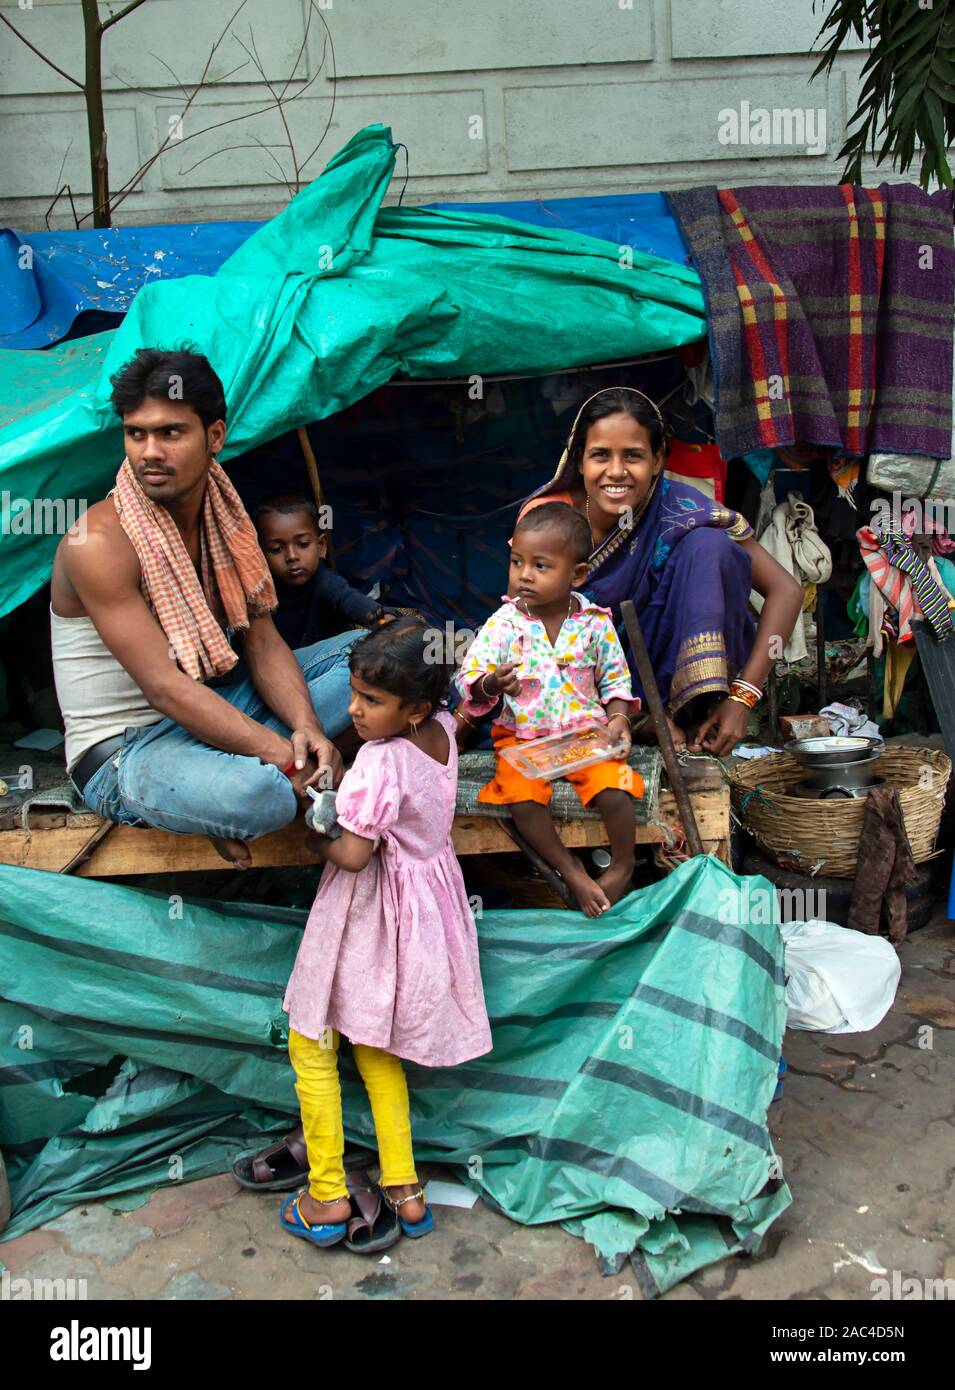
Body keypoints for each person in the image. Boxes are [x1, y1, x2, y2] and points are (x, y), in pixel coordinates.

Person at [50, 348, 360, 868]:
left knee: (380, 656)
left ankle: (212, 796)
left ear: (214, 436)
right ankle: (215, 799)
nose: (149, 451)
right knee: (257, 794)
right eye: (136, 433)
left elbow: (260, 640)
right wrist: (285, 757)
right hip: (129, 752)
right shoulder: (97, 540)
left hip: (219, 708)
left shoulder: (224, 514)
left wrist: (304, 725)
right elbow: (164, 688)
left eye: (170, 432)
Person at [280, 619, 491, 1250]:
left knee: (311, 1040)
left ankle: (325, 1196)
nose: (353, 710)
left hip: (365, 914)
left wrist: (312, 815)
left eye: (371, 701)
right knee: (375, 1048)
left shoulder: (378, 759)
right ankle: (406, 1188)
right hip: (425, 909)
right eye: (354, 693)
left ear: (417, 706)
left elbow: (352, 855)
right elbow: (470, 706)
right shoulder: (446, 735)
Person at [518, 387, 803, 755]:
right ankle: (639, 719)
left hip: (669, 683)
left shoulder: (680, 507)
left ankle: (699, 710)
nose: (616, 472)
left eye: (633, 456)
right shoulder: (546, 522)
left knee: (712, 548)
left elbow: (787, 590)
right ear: (578, 461)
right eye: (600, 455)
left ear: (656, 461)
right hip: (575, 691)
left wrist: (742, 698)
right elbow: (522, 624)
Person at [456, 502, 643, 918]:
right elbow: (470, 676)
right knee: (522, 801)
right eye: (517, 561)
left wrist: (617, 720)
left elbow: (616, 680)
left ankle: (624, 864)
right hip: (524, 738)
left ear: (577, 574)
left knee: (616, 791)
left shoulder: (595, 623)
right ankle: (570, 869)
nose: (524, 574)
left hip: (584, 738)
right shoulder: (505, 623)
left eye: (541, 566)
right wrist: (491, 682)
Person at [253, 492, 396, 651]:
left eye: (303, 544)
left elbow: (355, 603)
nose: (292, 556)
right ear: (259, 555)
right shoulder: (258, 593)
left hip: (330, 663)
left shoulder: (327, 584)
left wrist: (384, 620)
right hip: (283, 668)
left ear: (321, 546)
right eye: (277, 549)